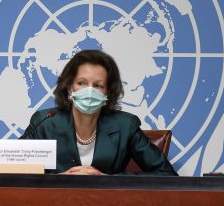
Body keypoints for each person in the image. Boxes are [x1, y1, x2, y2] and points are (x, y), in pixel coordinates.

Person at [20, 50, 177, 175]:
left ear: (108, 92)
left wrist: (107, 181)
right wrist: (59, 181)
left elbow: (166, 173)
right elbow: (9, 171)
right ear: (69, 88)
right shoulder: (45, 122)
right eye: (81, 83)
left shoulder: (125, 126)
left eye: (98, 85)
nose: (89, 91)